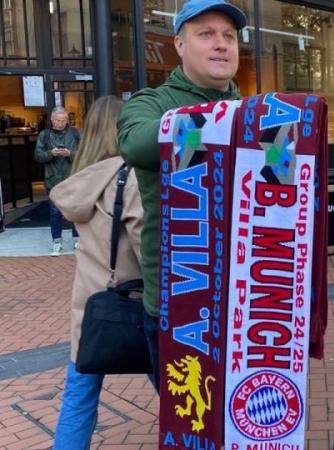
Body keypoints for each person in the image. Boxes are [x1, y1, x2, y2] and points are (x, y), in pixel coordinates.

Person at [118, 0, 247, 386]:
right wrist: (224, 118)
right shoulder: (153, 102)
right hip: (181, 304)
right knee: (193, 420)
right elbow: (136, 144)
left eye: (229, 36)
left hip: (246, 298)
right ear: (179, 45)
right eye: (205, 34)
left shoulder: (254, 110)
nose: (220, 44)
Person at [51, 96, 144, 450]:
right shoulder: (129, 178)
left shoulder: (81, 176)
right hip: (131, 301)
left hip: (88, 306)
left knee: (79, 395)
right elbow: (145, 249)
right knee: (175, 388)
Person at [34, 106, 80, 256]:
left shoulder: (75, 133)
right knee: (55, 212)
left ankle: (77, 239)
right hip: (52, 179)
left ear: (67, 120)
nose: (60, 123)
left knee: (75, 210)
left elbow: (85, 154)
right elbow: (38, 156)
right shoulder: (44, 135)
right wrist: (50, 153)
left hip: (72, 177)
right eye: (58, 121)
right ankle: (57, 242)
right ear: (52, 120)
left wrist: (70, 154)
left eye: (64, 120)